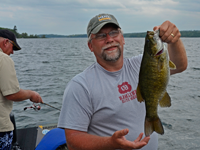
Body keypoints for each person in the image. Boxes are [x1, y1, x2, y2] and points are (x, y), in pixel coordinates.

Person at [58, 13, 187, 150]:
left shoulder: (142, 64)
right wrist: (111, 143)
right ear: (90, 45)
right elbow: (73, 141)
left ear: (122, 38)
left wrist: (174, 41)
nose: (109, 39)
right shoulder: (80, 86)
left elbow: (180, 65)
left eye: (114, 33)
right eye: (101, 35)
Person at [0, 29, 43, 150]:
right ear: (6, 42)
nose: (12, 52)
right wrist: (31, 94)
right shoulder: (3, 59)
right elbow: (11, 94)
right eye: (13, 48)